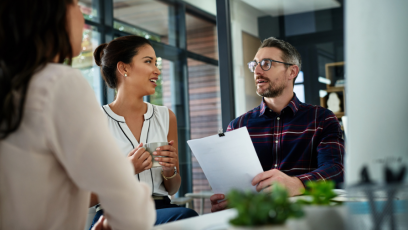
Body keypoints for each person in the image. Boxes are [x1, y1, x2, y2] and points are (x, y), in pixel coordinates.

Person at [0, 0, 155, 229]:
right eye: (74, 3)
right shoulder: (57, 83)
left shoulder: (12, 87)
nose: (82, 14)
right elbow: (129, 207)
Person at [210, 37, 345, 212]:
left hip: (305, 216)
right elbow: (231, 181)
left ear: (292, 72)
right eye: (255, 64)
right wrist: (226, 199)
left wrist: (298, 184)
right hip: (255, 218)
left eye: (266, 63)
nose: (257, 71)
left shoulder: (322, 119)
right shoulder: (238, 125)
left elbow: (335, 169)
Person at [88, 35, 198, 228]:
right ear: (123, 68)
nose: (157, 70)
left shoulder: (166, 117)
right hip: (113, 214)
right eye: (148, 61)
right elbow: (84, 197)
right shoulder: (94, 120)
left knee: (186, 216)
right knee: (187, 216)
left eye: (156, 63)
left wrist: (169, 170)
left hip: (161, 209)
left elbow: (173, 188)